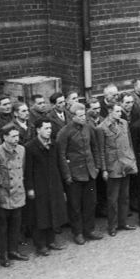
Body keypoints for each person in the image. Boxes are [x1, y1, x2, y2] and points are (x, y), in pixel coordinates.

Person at [22, 118, 70, 254]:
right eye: (46, 128)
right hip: (39, 186)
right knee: (40, 215)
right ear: (38, 130)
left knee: (52, 212)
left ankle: (51, 241)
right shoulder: (30, 147)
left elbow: (58, 165)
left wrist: (61, 185)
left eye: (50, 128)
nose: (49, 131)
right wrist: (30, 188)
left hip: (53, 184)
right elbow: (28, 170)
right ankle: (40, 245)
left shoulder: (54, 144)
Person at [56, 102, 101, 244]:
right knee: (75, 206)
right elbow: (61, 155)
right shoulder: (64, 132)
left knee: (90, 203)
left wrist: (97, 166)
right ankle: (78, 233)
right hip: (74, 174)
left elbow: (95, 148)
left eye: (84, 115)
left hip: (90, 172)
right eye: (80, 116)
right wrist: (67, 175)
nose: (83, 118)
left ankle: (89, 230)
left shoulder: (89, 128)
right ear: (72, 117)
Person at [0, 126, 27, 267]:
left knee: (15, 225)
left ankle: (13, 250)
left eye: (17, 136)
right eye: (13, 136)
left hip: (17, 193)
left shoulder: (21, 150)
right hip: (3, 195)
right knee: (2, 227)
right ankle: (3, 254)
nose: (16, 139)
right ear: (4, 137)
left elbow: (22, 171)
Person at [99, 102, 137, 236]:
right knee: (113, 199)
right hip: (113, 166)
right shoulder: (102, 128)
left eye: (120, 111)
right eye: (117, 111)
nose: (120, 114)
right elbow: (101, 151)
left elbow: (129, 144)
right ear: (110, 112)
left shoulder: (124, 123)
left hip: (125, 164)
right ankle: (112, 225)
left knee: (124, 196)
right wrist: (104, 169)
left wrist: (132, 160)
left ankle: (123, 222)